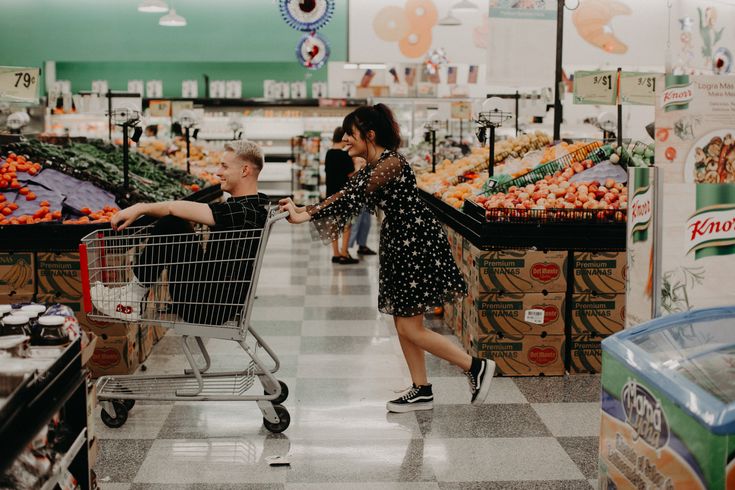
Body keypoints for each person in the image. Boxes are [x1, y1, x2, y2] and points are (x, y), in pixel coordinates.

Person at [279, 104, 495, 412]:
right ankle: (421, 388)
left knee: (410, 327)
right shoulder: (376, 164)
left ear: (369, 134)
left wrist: (306, 214)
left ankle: (474, 366)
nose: (345, 142)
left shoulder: (392, 163)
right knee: (403, 321)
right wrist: (303, 209)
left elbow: (353, 195)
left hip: (414, 245)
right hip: (401, 243)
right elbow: (349, 191)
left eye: (350, 135)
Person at [91, 140, 269, 325]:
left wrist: (140, 207)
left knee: (171, 223)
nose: (218, 172)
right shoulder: (255, 206)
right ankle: (133, 292)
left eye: (224, 166)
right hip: (218, 298)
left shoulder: (240, 212)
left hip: (206, 307)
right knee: (177, 224)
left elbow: (173, 207)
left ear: (245, 170)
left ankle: (133, 296)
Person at [324, 127, 358, 264]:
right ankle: (344, 253)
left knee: (333, 224)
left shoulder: (328, 154)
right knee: (346, 224)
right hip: (344, 194)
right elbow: (351, 174)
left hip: (330, 193)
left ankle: (336, 254)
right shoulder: (345, 155)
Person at [348, 157, 377, 256]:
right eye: (360, 160)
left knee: (366, 223)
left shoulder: (367, 167)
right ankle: (346, 248)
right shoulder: (353, 166)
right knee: (355, 223)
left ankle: (362, 245)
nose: (363, 162)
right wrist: (358, 168)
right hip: (356, 199)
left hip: (366, 197)